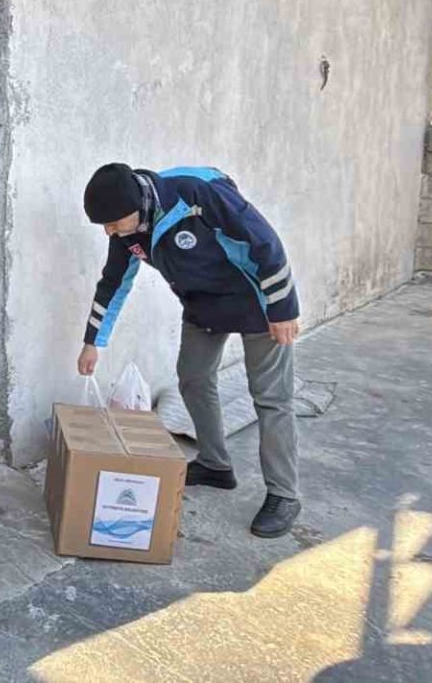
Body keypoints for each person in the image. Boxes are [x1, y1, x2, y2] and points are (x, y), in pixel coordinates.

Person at [77, 163, 303, 539]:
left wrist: (283, 309)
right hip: (203, 307)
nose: (109, 231)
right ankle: (215, 465)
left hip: (256, 303)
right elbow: (113, 283)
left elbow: (265, 244)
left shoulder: (197, 195)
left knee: (271, 398)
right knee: (193, 379)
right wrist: (92, 343)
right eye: (104, 226)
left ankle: (284, 494)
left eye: (113, 223)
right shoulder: (127, 232)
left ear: (137, 204)